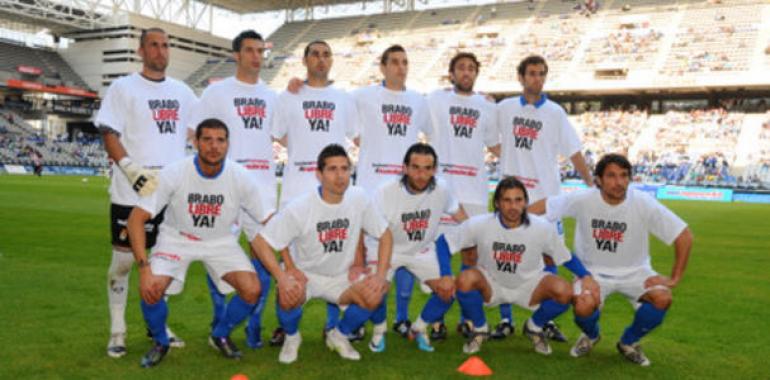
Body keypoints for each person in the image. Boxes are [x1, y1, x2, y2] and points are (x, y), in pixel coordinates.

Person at [127, 119, 272, 367]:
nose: (214, 146)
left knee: (252, 290)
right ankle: (161, 341)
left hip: (220, 241)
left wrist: (289, 264)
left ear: (228, 144)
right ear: (196, 143)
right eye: (207, 140)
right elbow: (135, 219)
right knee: (150, 289)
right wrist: (143, 268)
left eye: (220, 140)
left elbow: (268, 221)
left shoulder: (241, 177)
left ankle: (220, 334)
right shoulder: (173, 172)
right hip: (177, 238)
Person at [529, 153, 693, 366]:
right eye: (612, 176)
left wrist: (674, 278)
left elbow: (684, 235)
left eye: (624, 176)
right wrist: (511, 220)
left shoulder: (642, 202)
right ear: (598, 180)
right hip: (592, 273)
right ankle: (591, 335)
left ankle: (628, 342)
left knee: (663, 298)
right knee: (583, 306)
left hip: (636, 272)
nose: (619, 182)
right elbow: (545, 205)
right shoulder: (584, 199)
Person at [95, 27, 197, 358]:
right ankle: (117, 330)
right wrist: (130, 168)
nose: (160, 51)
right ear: (141, 51)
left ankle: (158, 326)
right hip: (131, 192)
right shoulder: (123, 88)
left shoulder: (183, 92)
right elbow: (108, 132)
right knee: (124, 263)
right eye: (153, 45)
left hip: (170, 194)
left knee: (164, 263)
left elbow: (202, 130)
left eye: (165, 45)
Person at [250, 144, 393, 364]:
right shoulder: (301, 206)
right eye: (332, 169)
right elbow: (260, 242)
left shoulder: (359, 197)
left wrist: (381, 274)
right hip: (307, 276)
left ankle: (339, 335)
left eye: (345, 169)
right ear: (319, 174)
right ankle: (291, 337)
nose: (340, 176)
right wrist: (283, 275)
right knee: (287, 295)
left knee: (375, 292)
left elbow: (385, 235)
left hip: (341, 276)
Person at [490, 54, 594, 342]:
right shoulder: (505, 108)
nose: (537, 78)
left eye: (541, 74)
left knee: (550, 257)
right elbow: (487, 135)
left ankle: (544, 320)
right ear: (521, 77)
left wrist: (590, 181)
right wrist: (507, 160)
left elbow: (573, 150)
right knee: (504, 257)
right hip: (511, 197)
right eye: (532, 73)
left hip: (546, 198)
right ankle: (506, 320)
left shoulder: (556, 113)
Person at [189, 29, 278, 349]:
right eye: (250, 50)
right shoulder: (216, 93)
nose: (257, 56)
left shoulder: (273, 95)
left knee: (265, 262)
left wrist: (299, 88)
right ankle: (220, 323)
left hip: (263, 190)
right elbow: (194, 133)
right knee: (218, 260)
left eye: (260, 51)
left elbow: (285, 132)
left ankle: (253, 324)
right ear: (236, 55)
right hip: (224, 190)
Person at [269, 40, 359, 345]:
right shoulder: (290, 95)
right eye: (315, 55)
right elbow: (279, 135)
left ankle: (332, 325)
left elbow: (355, 136)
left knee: (336, 254)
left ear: (332, 61)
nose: (321, 60)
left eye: (326, 55)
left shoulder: (343, 98)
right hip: (297, 188)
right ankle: (286, 324)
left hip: (334, 190)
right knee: (289, 259)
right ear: (305, 60)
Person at [451, 177, 586, 355]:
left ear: (526, 202)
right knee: (465, 279)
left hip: (529, 285)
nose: (513, 206)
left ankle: (534, 327)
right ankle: (480, 328)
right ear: (497, 203)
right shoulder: (479, 224)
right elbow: (445, 243)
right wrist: (446, 274)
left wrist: (586, 276)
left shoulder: (542, 227)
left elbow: (565, 257)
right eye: (507, 200)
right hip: (492, 283)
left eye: (518, 200)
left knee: (566, 291)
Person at [427, 52, 502, 339]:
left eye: (472, 68)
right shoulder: (436, 99)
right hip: (443, 190)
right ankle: (436, 319)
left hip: (474, 191)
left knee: (471, 255)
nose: (466, 72)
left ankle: (467, 318)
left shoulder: (486, 106)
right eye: (461, 68)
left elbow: (496, 145)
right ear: (451, 74)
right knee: (439, 256)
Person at [368, 143, 467, 353]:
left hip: (422, 250)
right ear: (404, 168)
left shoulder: (441, 188)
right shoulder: (385, 191)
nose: (422, 175)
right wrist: (359, 261)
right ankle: (379, 330)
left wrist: (478, 237)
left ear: (434, 169)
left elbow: (458, 213)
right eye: (416, 167)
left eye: (428, 168)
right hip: (388, 249)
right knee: (373, 293)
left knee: (448, 290)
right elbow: (364, 225)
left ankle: (418, 328)